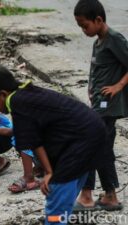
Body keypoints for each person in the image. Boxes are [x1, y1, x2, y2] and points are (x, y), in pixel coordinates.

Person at [0, 66, 108, 225]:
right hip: (93, 132)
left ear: (3, 94)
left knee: (55, 204)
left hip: (81, 141)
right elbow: (27, 133)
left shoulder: (17, 102)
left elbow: (33, 141)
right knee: (63, 200)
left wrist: (48, 172)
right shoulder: (27, 93)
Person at [74, 0, 127, 212]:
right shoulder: (99, 42)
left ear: (98, 20)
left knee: (90, 141)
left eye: (85, 25)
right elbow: (95, 69)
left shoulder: (114, 39)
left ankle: (86, 195)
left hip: (108, 105)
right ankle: (110, 197)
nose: (83, 30)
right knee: (102, 147)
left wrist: (118, 86)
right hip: (98, 102)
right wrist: (90, 87)